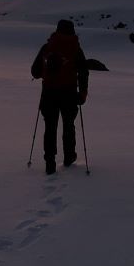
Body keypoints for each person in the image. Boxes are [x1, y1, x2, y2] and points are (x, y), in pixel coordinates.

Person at [31, 19, 89, 175]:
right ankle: (69, 157)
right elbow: (84, 72)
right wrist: (82, 93)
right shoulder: (76, 49)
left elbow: (35, 72)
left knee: (50, 127)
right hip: (69, 93)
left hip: (49, 93)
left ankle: (50, 162)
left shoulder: (47, 47)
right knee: (68, 125)